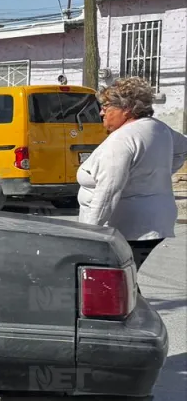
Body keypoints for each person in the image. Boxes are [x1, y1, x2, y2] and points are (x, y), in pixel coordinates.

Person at [78, 77, 187, 269]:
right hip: (153, 222)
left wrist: (86, 235)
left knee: (112, 284)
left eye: (106, 106)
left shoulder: (121, 140)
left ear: (126, 108)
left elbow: (107, 193)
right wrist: (155, 176)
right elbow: (182, 149)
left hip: (128, 227)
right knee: (125, 281)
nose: (101, 112)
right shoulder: (157, 127)